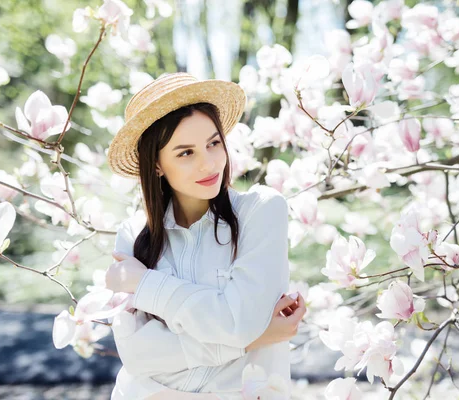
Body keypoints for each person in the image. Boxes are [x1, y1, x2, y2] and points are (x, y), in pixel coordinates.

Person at [104, 72, 307, 400]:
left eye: (214, 143)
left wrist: (144, 285)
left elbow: (238, 322)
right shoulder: (133, 235)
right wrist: (251, 339)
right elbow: (137, 357)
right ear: (156, 165)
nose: (209, 163)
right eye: (186, 153)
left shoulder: (261, 212)